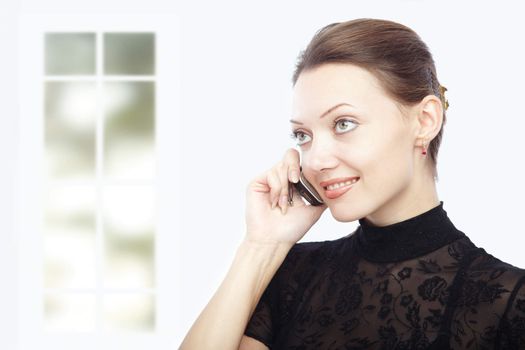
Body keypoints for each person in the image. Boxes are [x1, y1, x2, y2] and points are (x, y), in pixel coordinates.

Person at [179, 18, 525, 349]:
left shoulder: (507, 301)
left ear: (425, 120)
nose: (314, 160)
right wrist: (261, 245)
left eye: (343, 124)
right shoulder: (293, 275)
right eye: (303, 135)